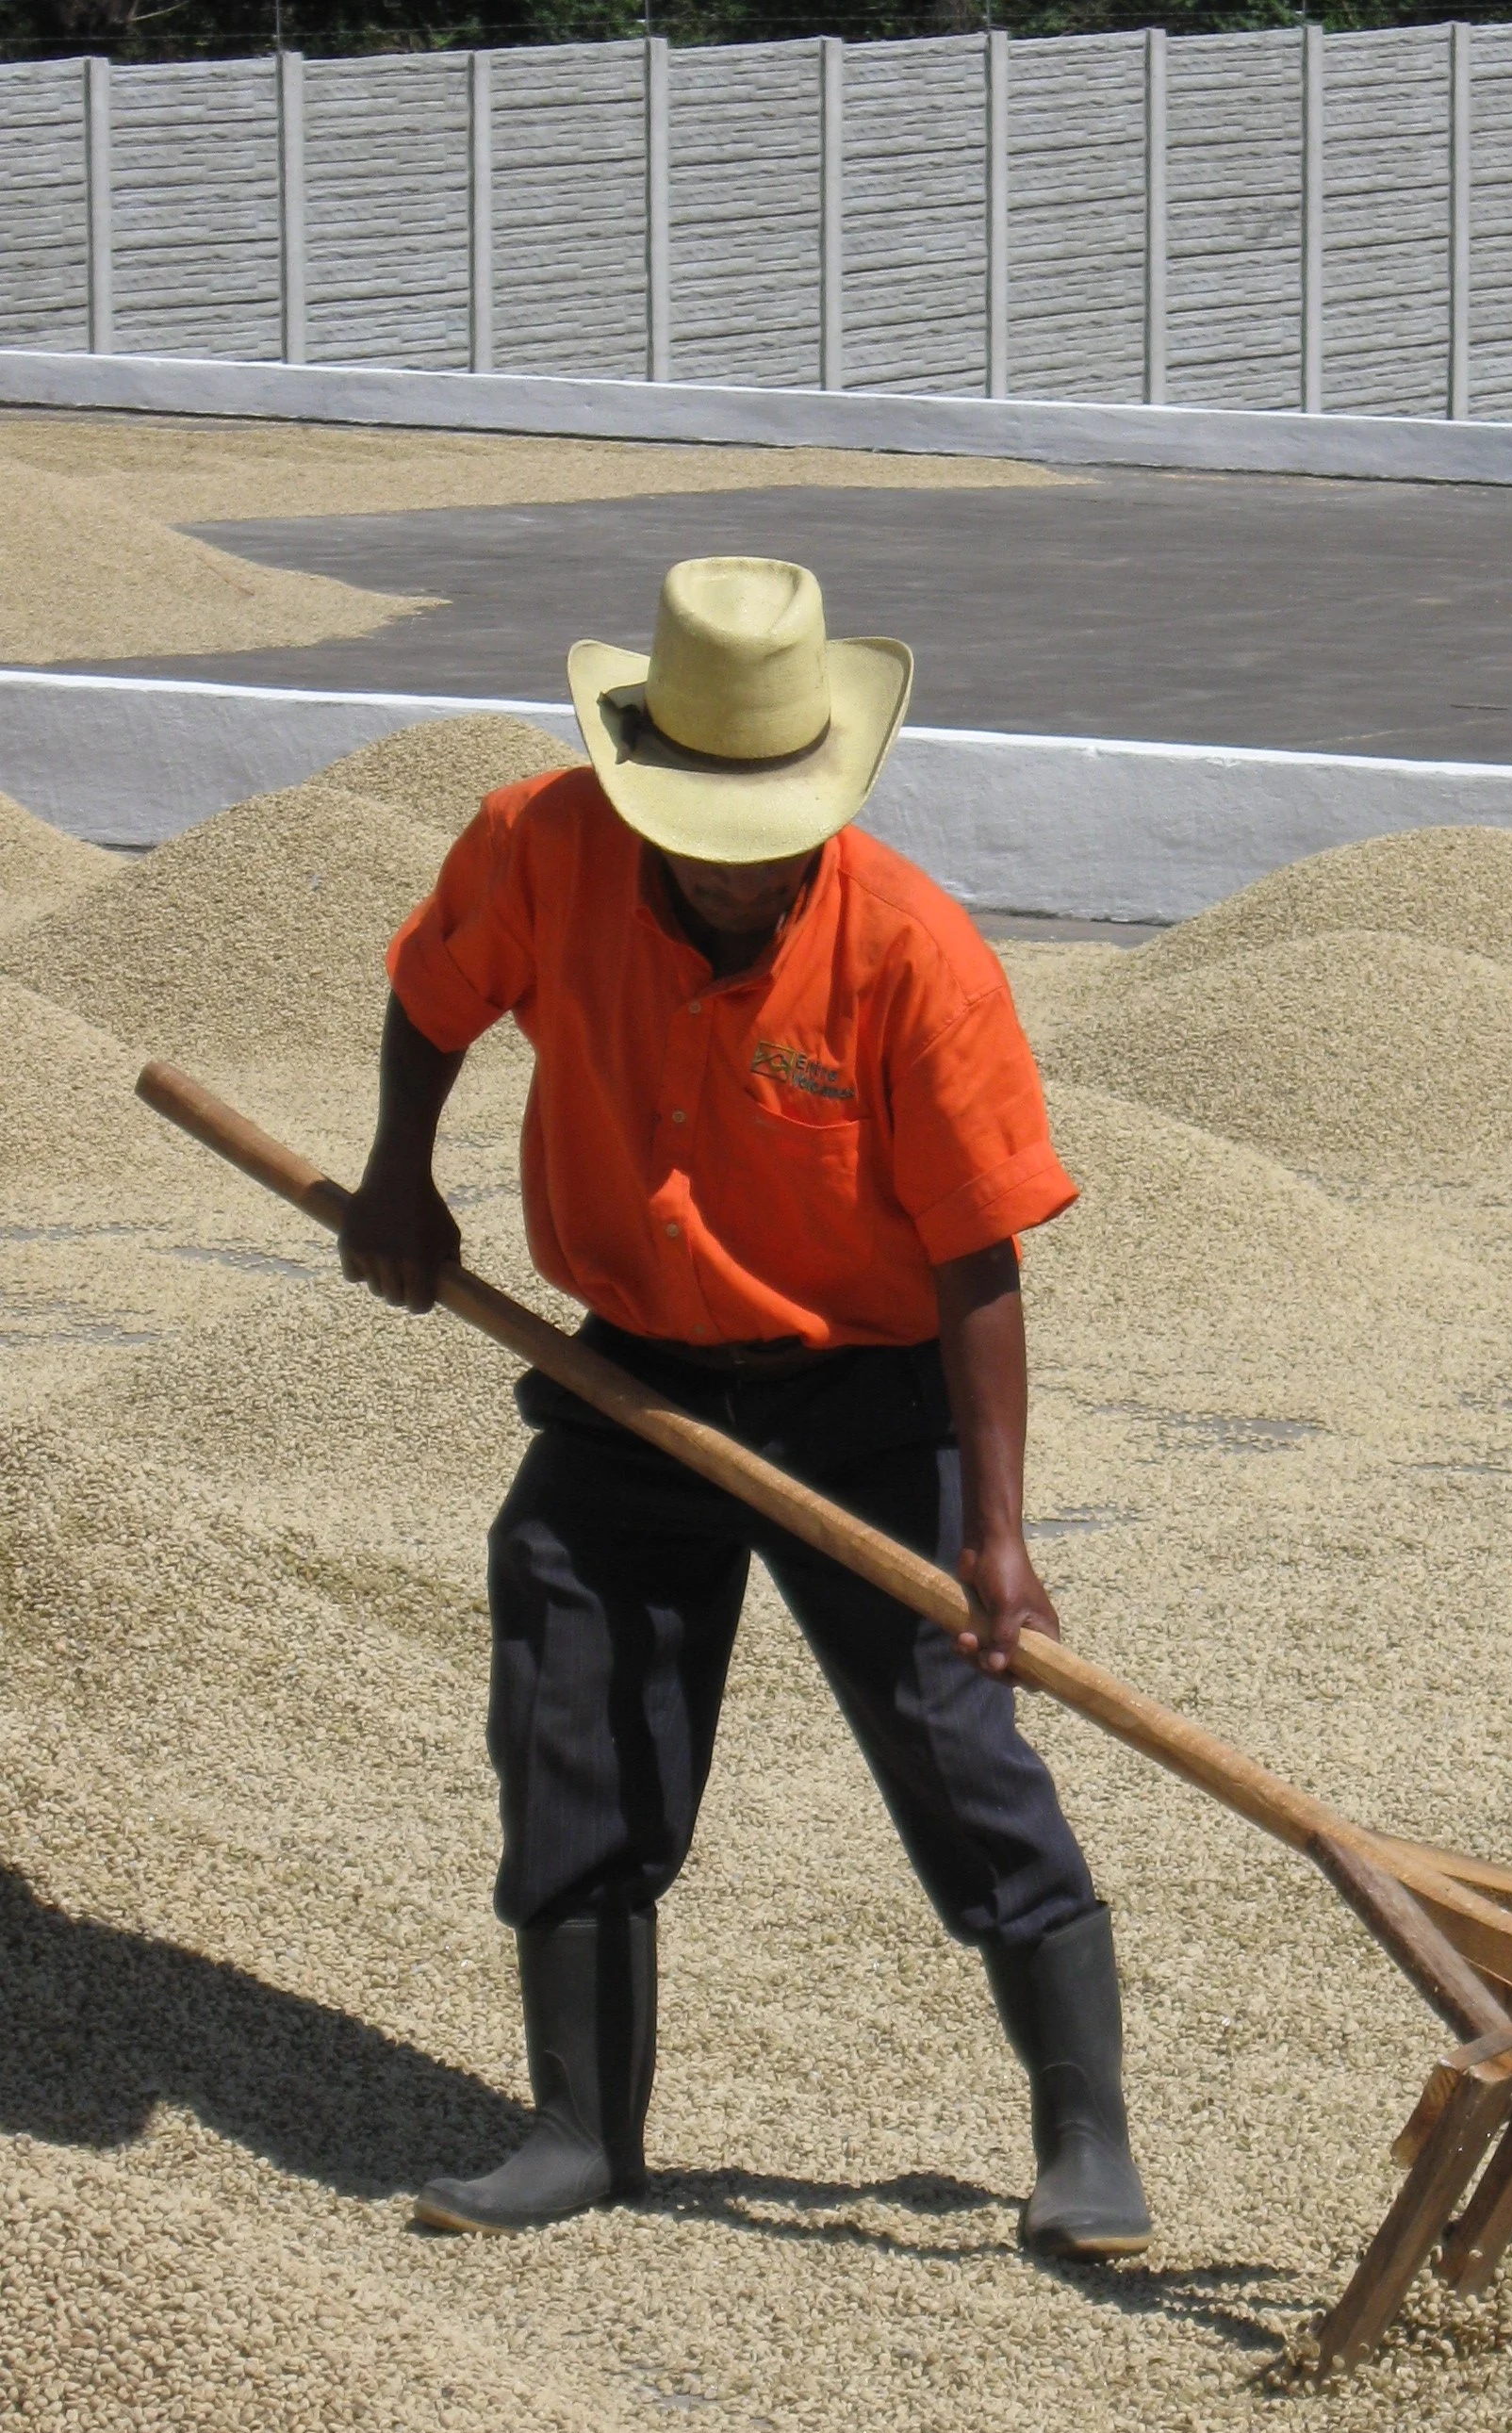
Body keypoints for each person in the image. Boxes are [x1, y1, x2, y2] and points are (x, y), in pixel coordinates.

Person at [337, 554, 1150, 2260]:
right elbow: (431, 1001)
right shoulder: (539, 848)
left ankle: (1086, 2139)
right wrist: (398, 1182)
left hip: (862, 1395)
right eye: (695, 839)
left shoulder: (915, 957)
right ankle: (579, 2127)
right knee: (572, 1695)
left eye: (766, 839)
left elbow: (978, 1259)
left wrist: (1001, 1541)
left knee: (955, 1742)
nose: (728, 876)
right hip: (625, 1370)